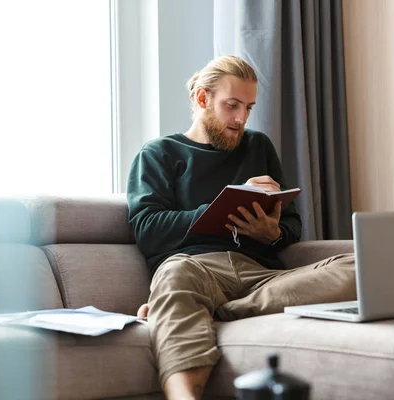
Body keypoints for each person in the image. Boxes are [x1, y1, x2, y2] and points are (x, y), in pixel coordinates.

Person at [126, 55, 356, 400]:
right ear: (203, 99)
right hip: (194, 269)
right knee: (175, 275)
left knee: (358, 267)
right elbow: (146, 227)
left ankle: (218, 308)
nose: (241, 119)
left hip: (259, 277)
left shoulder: (257, 146)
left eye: (248, 107)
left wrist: (272, 232)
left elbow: (291, 224)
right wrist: (220, 207)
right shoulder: (160, 153)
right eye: (231, 106)